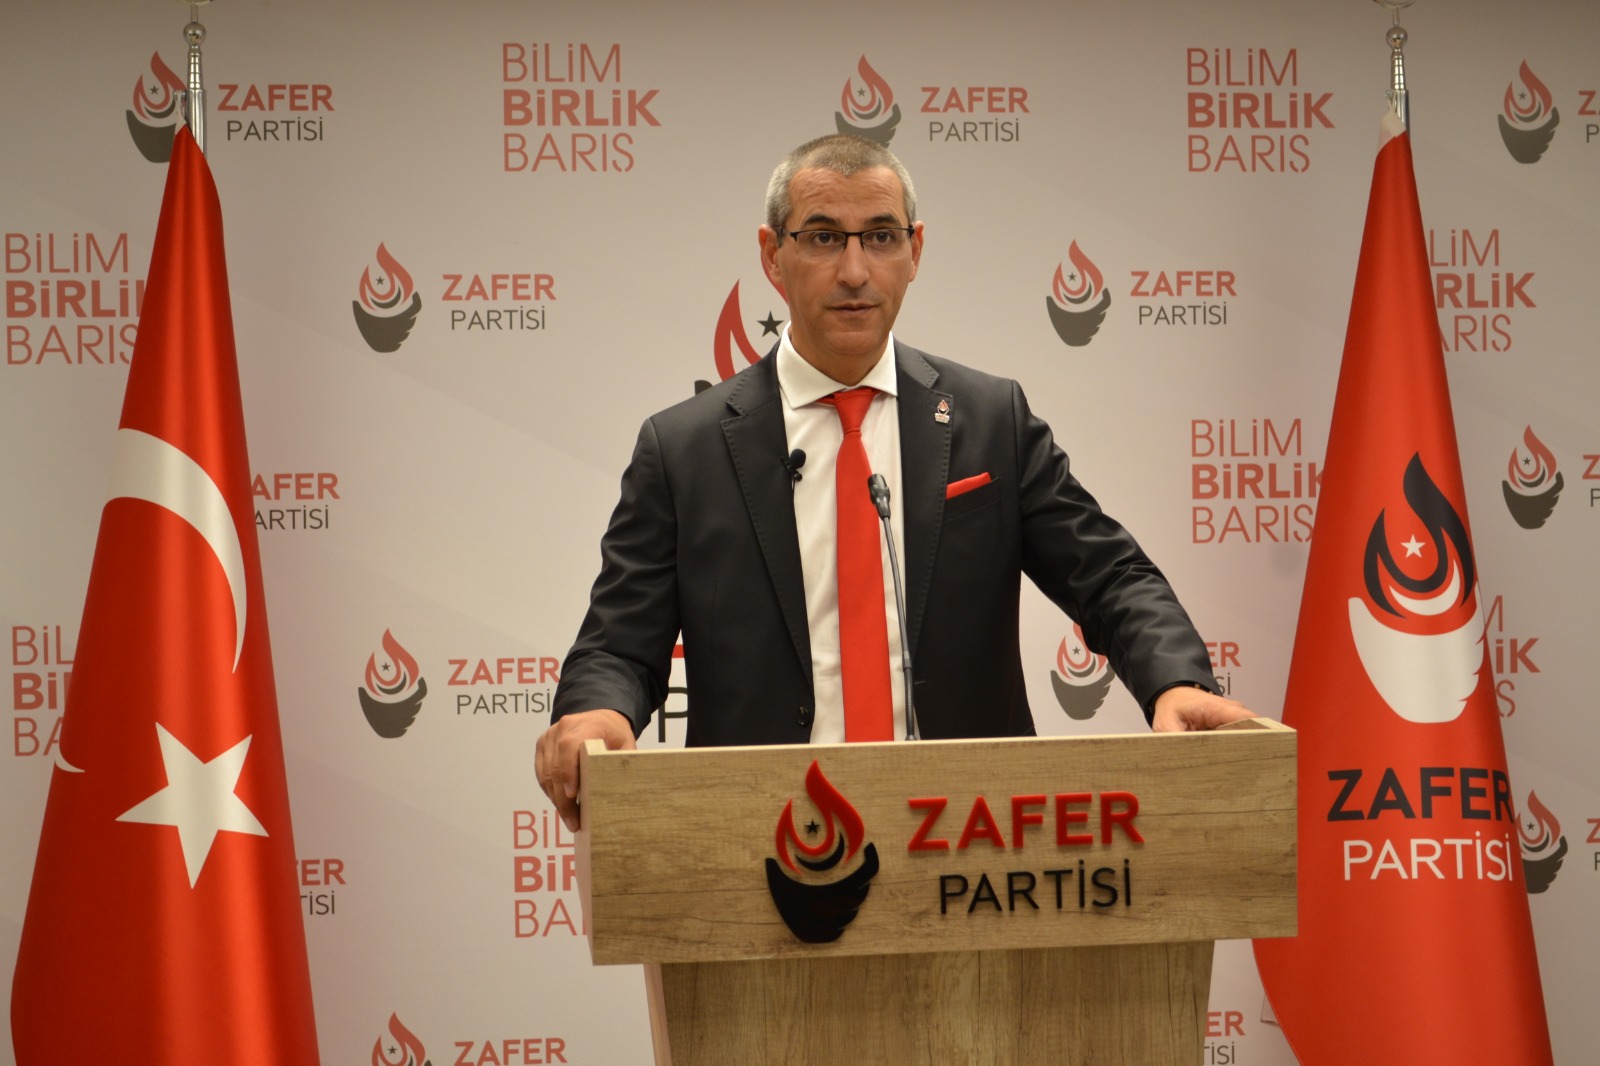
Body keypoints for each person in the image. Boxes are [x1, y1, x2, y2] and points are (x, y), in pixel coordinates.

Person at [536, 134, 1253, 830]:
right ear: (772, 255)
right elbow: (618, 645)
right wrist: (597, 712)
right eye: (823, 238)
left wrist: (1175, 680)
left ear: (915, 251)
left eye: (881, 237)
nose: (855, 271)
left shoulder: (989, 420)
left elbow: (1111, 577)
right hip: (763, 834)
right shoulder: (683, 449)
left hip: (970, 834)